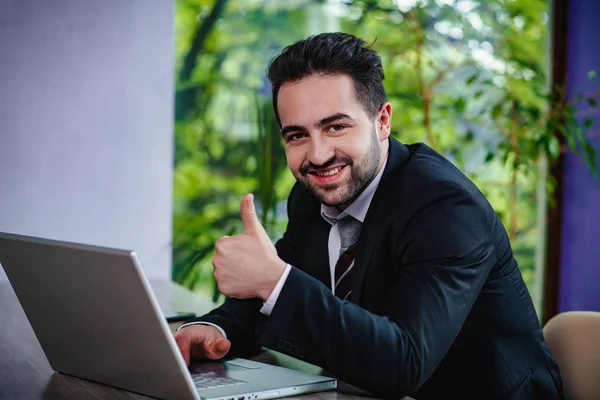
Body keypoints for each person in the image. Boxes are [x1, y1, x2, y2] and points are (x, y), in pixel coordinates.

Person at [174, 32, 564, 399]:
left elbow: (403, 362)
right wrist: (213, 327)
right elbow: (272, 295)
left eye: (336, 126)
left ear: (382, 121)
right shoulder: (311, 196)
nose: (319, 154)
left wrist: (274, 280)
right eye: (297, 135)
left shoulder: (447, 209)